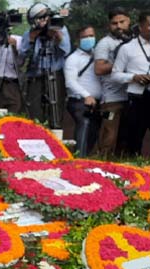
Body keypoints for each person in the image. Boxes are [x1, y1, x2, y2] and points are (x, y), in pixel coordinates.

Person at [19, 3, 70, 127]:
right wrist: (32, 39)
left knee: (56, 110)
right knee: (35, 112)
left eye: (45, 17)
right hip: (35, 75)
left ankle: (55, 129)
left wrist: (57, 36)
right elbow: (22, 56)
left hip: (55, 74)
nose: (44, 21)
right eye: (40, 18)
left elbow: (66, 50)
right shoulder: (29, 33)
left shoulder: (59, 28)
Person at [94, 7, 133, 158]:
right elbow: (99, 68)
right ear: (109, 25)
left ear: (129, 21)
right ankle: (100, 164)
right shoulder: (105, 43)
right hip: (110, 101)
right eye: (114, 23)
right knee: (108, 135)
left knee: (127, 137)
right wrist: (121, 62)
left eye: (122, 22)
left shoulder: (135, 41)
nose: (119, 26)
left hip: (131, 96)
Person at [111, 11, 150, 157]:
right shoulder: (127, 48)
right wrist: (134, 77)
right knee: (134, 140)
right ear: (140, 27)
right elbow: (115, 75)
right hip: (137, 98)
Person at [65, 26, 102, 157]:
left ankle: (86, 158)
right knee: (84, 124)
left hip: (98, 103)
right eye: (85, 37)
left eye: (91, 36)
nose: (89, 39)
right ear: (77, 40)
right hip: (79, 102)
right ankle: (78, 159)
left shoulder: (99, 56)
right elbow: (70, 82)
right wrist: (86, 95)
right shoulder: (73, 59)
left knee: (94, 131)